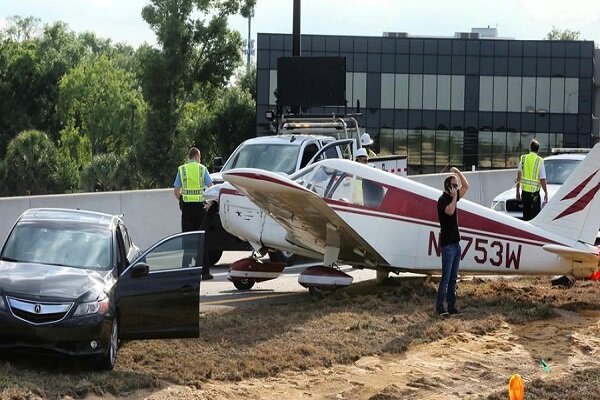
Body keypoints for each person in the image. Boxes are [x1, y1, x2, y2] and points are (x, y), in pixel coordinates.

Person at [173, 147, 214, 279]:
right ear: (196, 156)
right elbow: (212, 188)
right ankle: (205, 272)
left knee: (188, 240)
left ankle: (186, 271)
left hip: (187, 209)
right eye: (199, 157)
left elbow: (176, 191)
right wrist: (209, 203)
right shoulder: (202, 169)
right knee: (202, 240)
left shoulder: (182, 169)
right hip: (200, 209)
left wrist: (183, 202)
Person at [436, 167, 469, 316]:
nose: (456, 187)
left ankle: (451, 306)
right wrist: (455, 197)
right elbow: (449, 211)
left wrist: (457, 172)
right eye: (454, 185)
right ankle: (440, 307)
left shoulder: (453, 197)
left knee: (453, 278)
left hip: (456, 244)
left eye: (456, 185)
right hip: (448, 244)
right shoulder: (443, 200)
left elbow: (466, 186)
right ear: (448, 187)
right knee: (446, 278)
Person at [516, 139, 548, 221]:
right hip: (534, 195)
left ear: (530, 148)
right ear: (538, 150)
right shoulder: (539, 160)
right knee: (535, 217)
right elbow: (542, 179)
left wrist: (517, 191)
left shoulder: (523, 159)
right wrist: (545, 192)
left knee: (526, 216)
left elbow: (518, 176)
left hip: (525, 193)